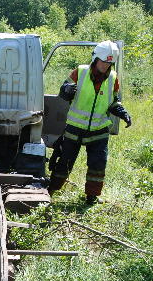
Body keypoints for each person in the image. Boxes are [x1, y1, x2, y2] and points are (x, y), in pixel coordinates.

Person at [47, 40, 132, 204]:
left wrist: (122, 113)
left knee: (98, 165)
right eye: (103, 62)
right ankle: (50, 191)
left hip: (99, 130)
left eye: (109, 63)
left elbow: (113, 102)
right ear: (95, 59)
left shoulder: (113, 78)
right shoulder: (80, 72)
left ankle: (91, 197)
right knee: (64, 163)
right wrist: (66, 91)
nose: (106, 66)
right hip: (74, 129)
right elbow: (63, 92)